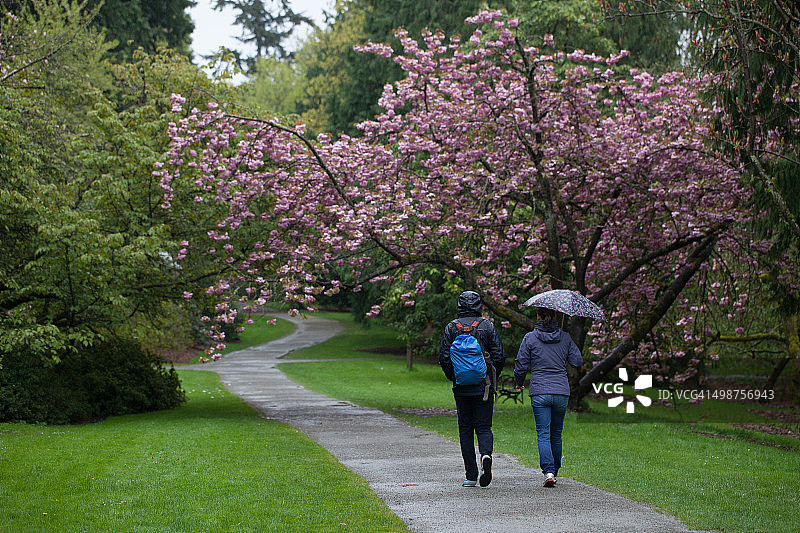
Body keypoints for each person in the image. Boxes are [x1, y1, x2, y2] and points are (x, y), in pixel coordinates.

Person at [439, 290, 505, 488]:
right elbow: (500, 356)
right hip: (484, 387)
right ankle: (485, 455)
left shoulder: (452, 327)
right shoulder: (487, 326)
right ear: (479, 305)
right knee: (484, 427)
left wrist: (455, 376)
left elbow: (443, 357)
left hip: (461, 388)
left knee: (465, 429)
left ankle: (470, 475)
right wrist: (492, 377)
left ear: (459, 306)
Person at [514, 306, 582, 487]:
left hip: (539, 391)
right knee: (556, 433)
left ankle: (549, 472)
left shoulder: (530, 338)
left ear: (537, 315)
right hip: (561, 391)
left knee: (543, 433)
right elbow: (577, 361)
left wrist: (519, 381)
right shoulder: (565, 338)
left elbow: (521, 364)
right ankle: (556, 470)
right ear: (556, 316)